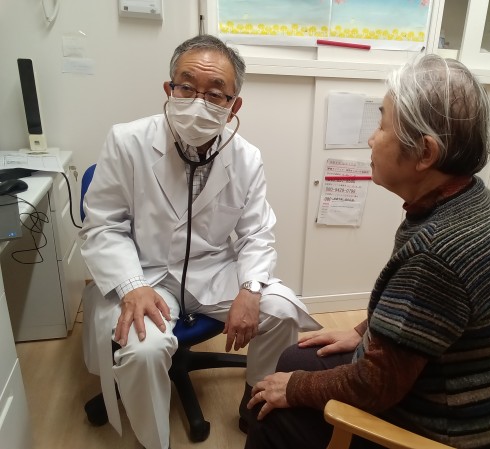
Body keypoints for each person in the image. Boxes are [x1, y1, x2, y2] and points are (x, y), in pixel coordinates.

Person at [244, 55, 490, 449]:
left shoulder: (437, 255)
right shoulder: (468, 200)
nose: (371, 139)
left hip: (446, 435)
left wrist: (295, 390)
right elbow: (425, 317)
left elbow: (375, 385)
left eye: (382, 125)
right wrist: (364, 332)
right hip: (459, 399)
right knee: (295, 359)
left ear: (425, 153)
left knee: (274, 415)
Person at [80, 34, 320, 449]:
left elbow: (256, 232)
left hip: (213, 271)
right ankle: (154, 440)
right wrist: (131, 285)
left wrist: (251, 288)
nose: (197, 101)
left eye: (214, 94)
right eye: (186, 87)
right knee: (144, 350)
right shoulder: (127, 141)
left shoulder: (246, 157)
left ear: (233, 106)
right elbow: (103, 226)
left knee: (281, 310)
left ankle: (255, 402)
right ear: (168, 90)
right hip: (146, 274)